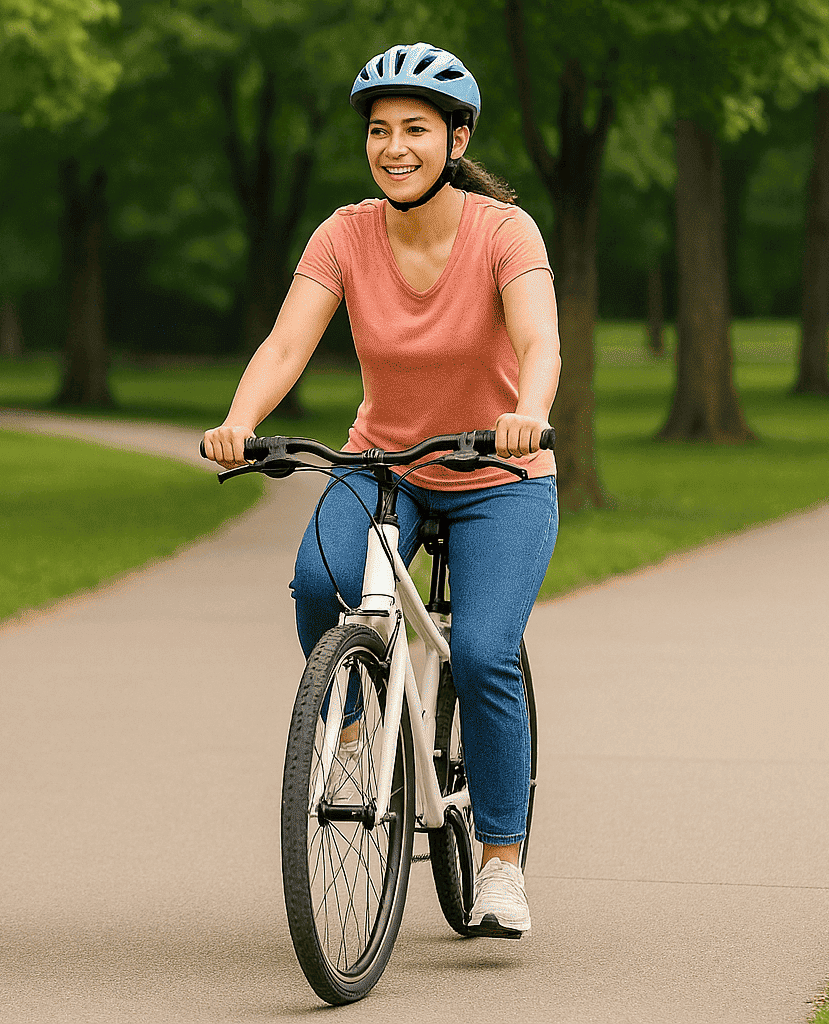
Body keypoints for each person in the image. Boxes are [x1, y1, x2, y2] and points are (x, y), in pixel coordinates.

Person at [202, 42, 560, 938]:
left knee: (482, 652)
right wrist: (239, 420)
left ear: (456, 137)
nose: (394, 147)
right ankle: (356, 703)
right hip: (383, 462)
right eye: (379, 131)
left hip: (500, 472)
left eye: (415, 130)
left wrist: (530, 409)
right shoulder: (345, 232)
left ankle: (501, 863)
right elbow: (287, 345)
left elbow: (540, 338)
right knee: (319, 584)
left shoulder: (504, 232)